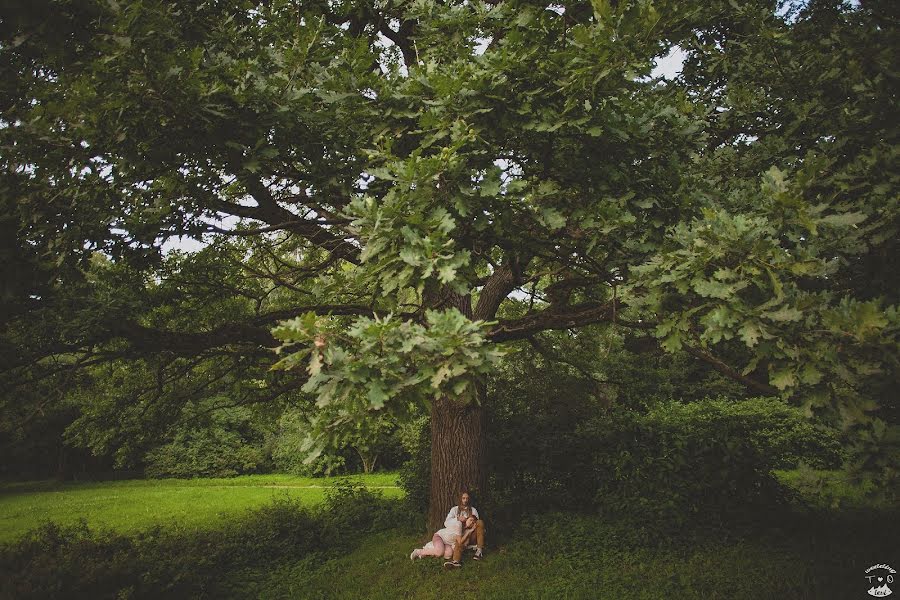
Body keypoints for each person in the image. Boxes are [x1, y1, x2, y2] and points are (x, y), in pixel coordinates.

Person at [442, 490, 485, 569]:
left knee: (480, 522)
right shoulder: (454, 510)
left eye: (467, 498)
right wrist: (457, 519)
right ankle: (456, 562)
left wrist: (469, 524)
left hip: (472, 535)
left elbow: (477, 524)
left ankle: (479, 551)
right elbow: (446, 523)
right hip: (461, 535)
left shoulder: (473, 510)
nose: (465, 500)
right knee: (459, 538)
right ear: (460, 499)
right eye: (463, 498)